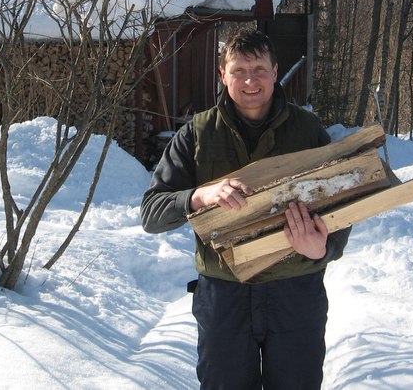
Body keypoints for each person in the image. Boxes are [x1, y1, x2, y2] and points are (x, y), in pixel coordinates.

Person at [140, 27, 350, 390]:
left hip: (295, 292)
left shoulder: (307, 129)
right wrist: (201, 196)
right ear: (223, 75)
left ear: (275, 71)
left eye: (259, 70)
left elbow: (342, 200)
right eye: (239, 70)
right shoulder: (197, 133)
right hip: (224, 297)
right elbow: (152, 212)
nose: (250, 81)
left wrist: (323, 248)